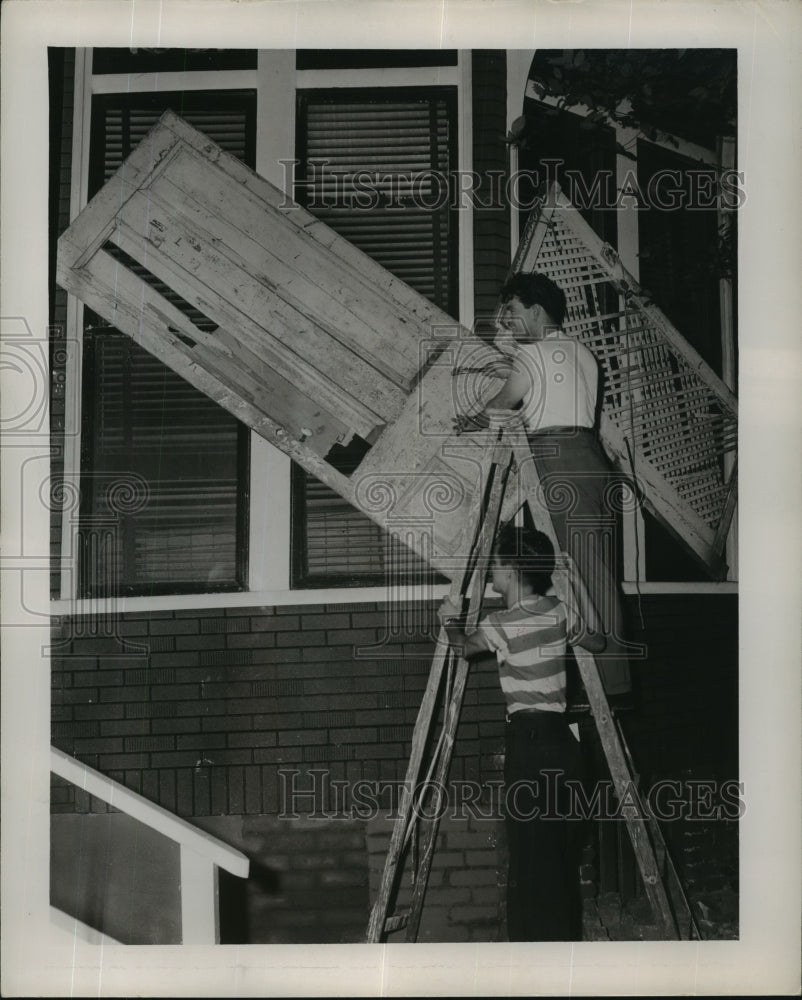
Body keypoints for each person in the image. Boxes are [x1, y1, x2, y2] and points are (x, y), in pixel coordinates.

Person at [454, 271, 631, 698]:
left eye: (512, 312)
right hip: (591, 460)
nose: (507, 323)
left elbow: (500, 405)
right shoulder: (583, 353)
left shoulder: (531, 355)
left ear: (535, 310)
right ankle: (608, 684)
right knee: (597, 572)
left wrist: (465, 421)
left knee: (577, 574)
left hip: (559, 461)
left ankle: (608, 689)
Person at [438, 523, 601, 941]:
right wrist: (574, 582)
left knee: (530, 859)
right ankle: (561, 952)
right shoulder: (559, 611)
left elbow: (461, 648)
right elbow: (598, 642)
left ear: (511, 570)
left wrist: (449, 619)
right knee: (559, 856)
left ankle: (533, 957)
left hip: (529, 746)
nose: (491, 575)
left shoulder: (502, 622)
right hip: (565, 747)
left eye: (495, 567)